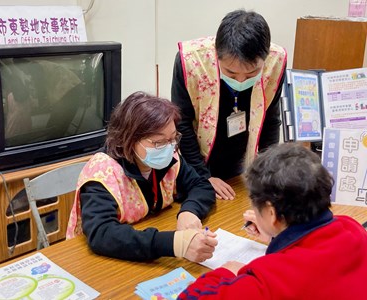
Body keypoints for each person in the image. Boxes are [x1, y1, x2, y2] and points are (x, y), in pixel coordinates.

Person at [178, 143, 367, 299]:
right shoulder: (353, 228)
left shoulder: (267, 281)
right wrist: (276, 237)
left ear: (271, 213)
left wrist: (228, 271)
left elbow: (190, 297)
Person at [66, 91, 218, 262]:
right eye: (159, 142)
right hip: (97, 261)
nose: (169, 147)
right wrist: (174, 243)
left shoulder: (170, 157)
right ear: (129, 139)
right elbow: (102, 234)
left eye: (173, 138)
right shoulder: (102, 173)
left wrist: (189, 211)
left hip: (143, 238)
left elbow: (201, 186)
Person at [171, 10, 287, 200]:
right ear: (217, 55)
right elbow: (181, 123)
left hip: (237, 162)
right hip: (194, 161)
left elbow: (271, 120)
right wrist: (202, 176)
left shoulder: (275, 61)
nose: (241, 80)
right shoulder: (192, 61)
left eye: (251, 74)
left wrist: (268, 173)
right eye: (231, 74)